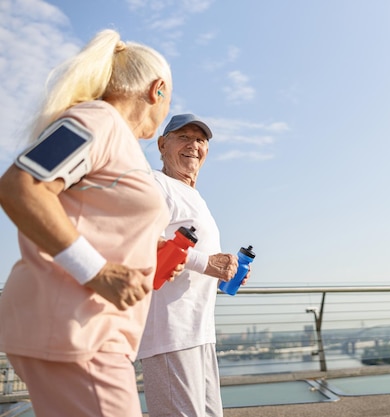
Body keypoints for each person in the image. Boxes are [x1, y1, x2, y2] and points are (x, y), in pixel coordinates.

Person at [0, 29, 173, 417]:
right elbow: (20, 186)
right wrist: (97, 271)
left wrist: (150, 249)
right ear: (157, 90)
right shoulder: (98, 119)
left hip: (87, 330)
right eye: (169, 99)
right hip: (79, 330)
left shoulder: (119, 141)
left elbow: (94, 216)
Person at [137, 113, 248, 417]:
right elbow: (144, 242)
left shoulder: (195, 196)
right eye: (183, 137)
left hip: (200, 331)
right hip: (170, 333)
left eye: (200, 140)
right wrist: (208, 263)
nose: (193, 145)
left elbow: (193, 258)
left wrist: (226, 270)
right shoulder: (154, 182)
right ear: (162, 144)